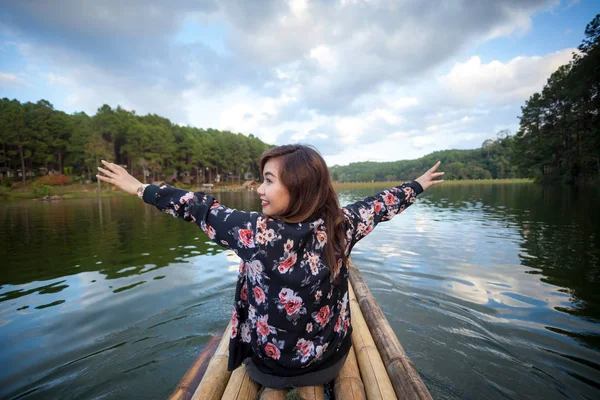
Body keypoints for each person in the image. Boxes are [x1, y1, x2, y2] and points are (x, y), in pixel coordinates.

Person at [96, 144, 444, 396]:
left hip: (271, 369)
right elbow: (381, 204)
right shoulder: (342, 225)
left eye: (268, 180)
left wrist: (140, 188)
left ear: (298, 187)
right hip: (330, 359)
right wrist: (417, 185)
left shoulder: (256, 232)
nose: (259, 190)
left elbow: (198, 208)